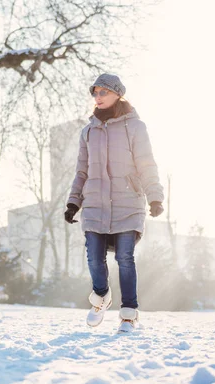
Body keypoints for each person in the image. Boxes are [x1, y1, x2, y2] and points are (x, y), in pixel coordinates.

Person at [65, 73, 164, 333]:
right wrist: (73, 202)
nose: (97, 97)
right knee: (94, 258)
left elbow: (146, 163)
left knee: (125, 257)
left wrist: (154, 196)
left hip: (127, 201)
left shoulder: (135, 127)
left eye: (103, 93)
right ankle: (101, 298)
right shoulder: (88, 132)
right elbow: (81, 171)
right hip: (95, 203)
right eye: (95, 93)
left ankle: (129, 315)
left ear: (117, 94)